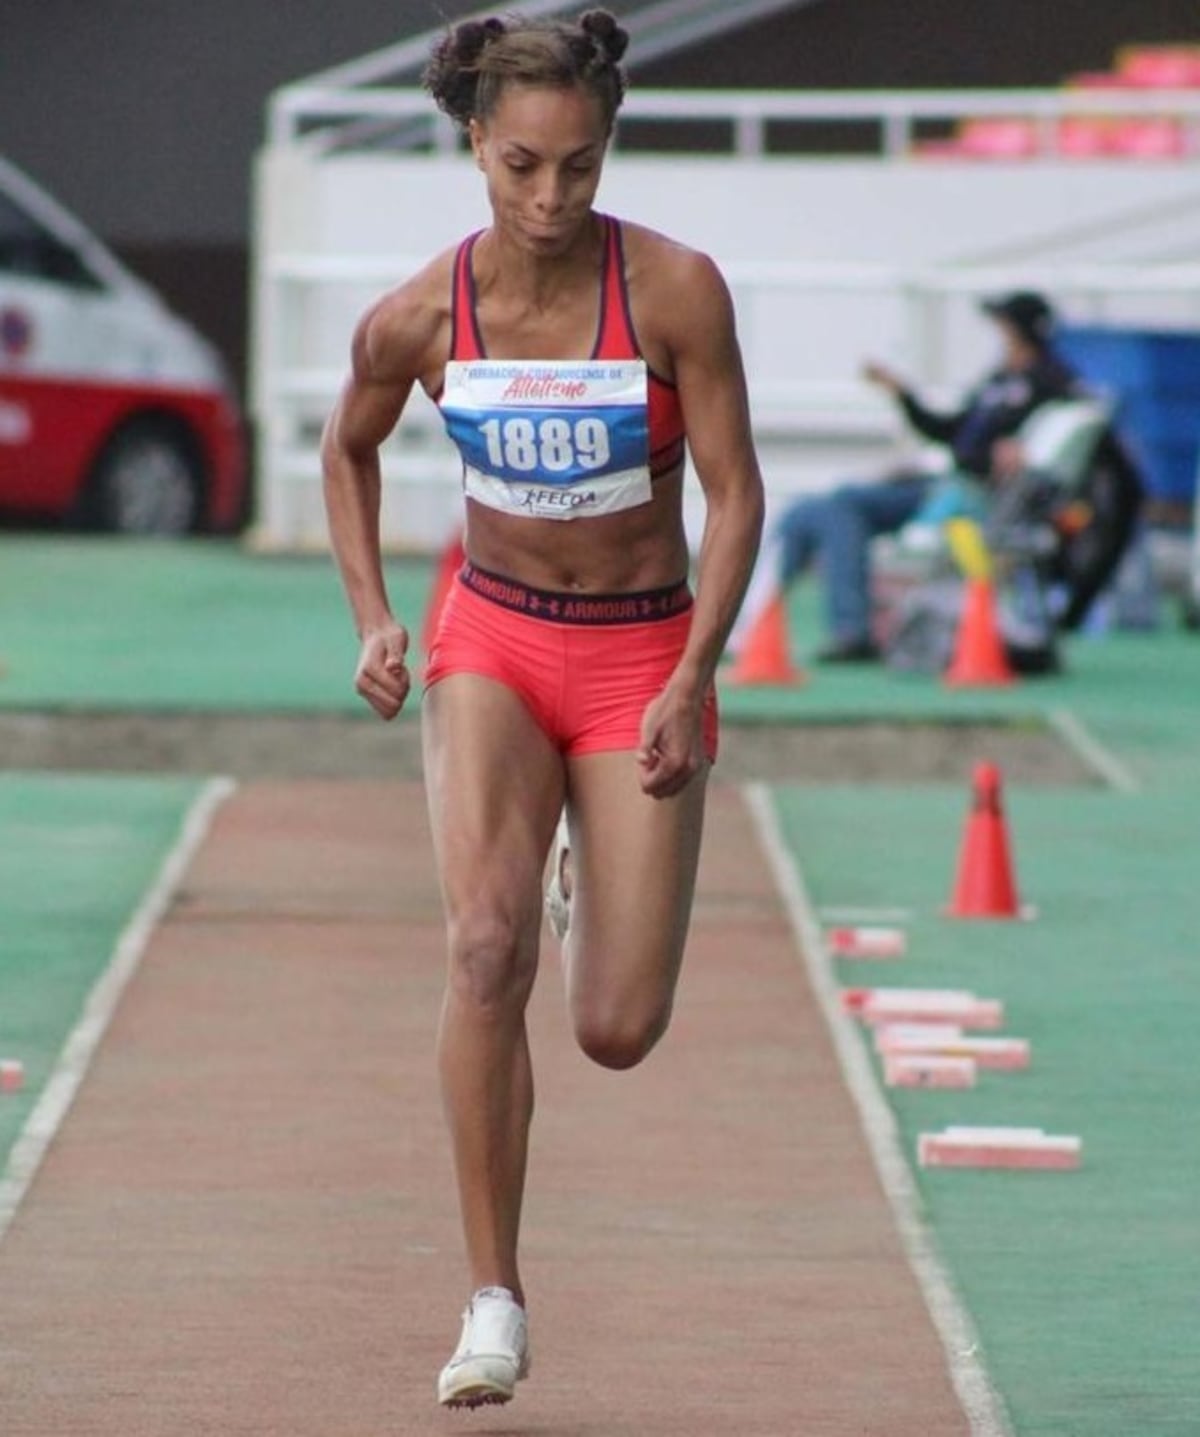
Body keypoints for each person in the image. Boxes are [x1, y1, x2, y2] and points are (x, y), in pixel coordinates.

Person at [320, 9, 763, 1412]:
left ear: (606, 149)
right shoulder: (418, 314)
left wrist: (696, 673)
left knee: (617, 1027)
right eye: (522, 165)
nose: (552, 198)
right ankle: (493, 1298)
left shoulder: (678, 291)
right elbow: (349, 448)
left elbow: (738, 491)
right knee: (481, 948)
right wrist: (376, 618)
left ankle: (586, 866)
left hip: (640, 655)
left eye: (579, 166)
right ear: (474, 145)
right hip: (494, 645)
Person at [729, 291, 1079, 665]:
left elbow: (1041, 458)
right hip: (939, 484)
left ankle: (846, 630)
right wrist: (903, 394)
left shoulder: (1052, 383)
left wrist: (1022, 452)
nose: (997, 334)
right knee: (809, 510)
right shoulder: (1000, 378)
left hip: (966, 497)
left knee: (839, 508)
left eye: (1003, 325)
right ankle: (749, 624)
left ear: (1019, 331)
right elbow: (949, 430)